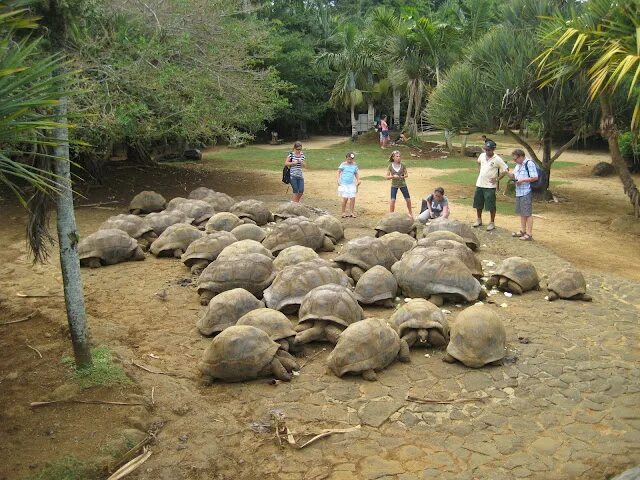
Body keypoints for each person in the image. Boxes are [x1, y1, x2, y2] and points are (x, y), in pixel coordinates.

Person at [472, 139, 509, 231]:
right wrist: (480, 171)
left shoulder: (497, 159)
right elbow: (478, 162)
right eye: (486, 149)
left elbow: (506, 169)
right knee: (478, 203)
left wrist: (497, 178)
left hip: (490, 186)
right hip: (480, 183)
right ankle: (479, 219)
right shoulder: (482, 155)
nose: (487, 151)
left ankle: (492, 222)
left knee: (490, 204)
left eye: (489, 150)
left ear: (493, 149)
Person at [508, 148, 538, 241]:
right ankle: (522, 230)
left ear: (521, 156)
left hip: (526, 191)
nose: (515, 161)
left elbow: (535, 177)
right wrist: (507, 172)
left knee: (527, 213)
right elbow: (514, 175)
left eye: (516, 159)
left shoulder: (529, 163)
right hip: (519, 191)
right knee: (522, 212)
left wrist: (522, 180)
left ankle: (529, 234)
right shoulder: (518, 165)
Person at [386, 150, 413, 217]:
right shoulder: (390, 166)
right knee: (393, 200)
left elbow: (406, 175)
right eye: (397, 156)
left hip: (402, 184)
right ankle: (391, 214)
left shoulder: (403, 165)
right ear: (393, 157)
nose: (398, 157)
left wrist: (402, 176)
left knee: (408, 199)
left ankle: (410, 212)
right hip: (394, 185)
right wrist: (393, 176)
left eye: (399, 156)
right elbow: (386, 177)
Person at [337, 152, 361, 217]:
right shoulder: (343, 164)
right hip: (344, 183)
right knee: (345, 198)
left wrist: (358, 180)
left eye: (351, 159)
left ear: (353, 159)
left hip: (351, 184)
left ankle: (352, 212)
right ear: (346, 158)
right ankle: (343, 212)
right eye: (348, 159)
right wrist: (338, 179)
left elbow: (356, 173)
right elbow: (339, 171)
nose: (349, 161)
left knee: (353, 198)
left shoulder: (354, 165)